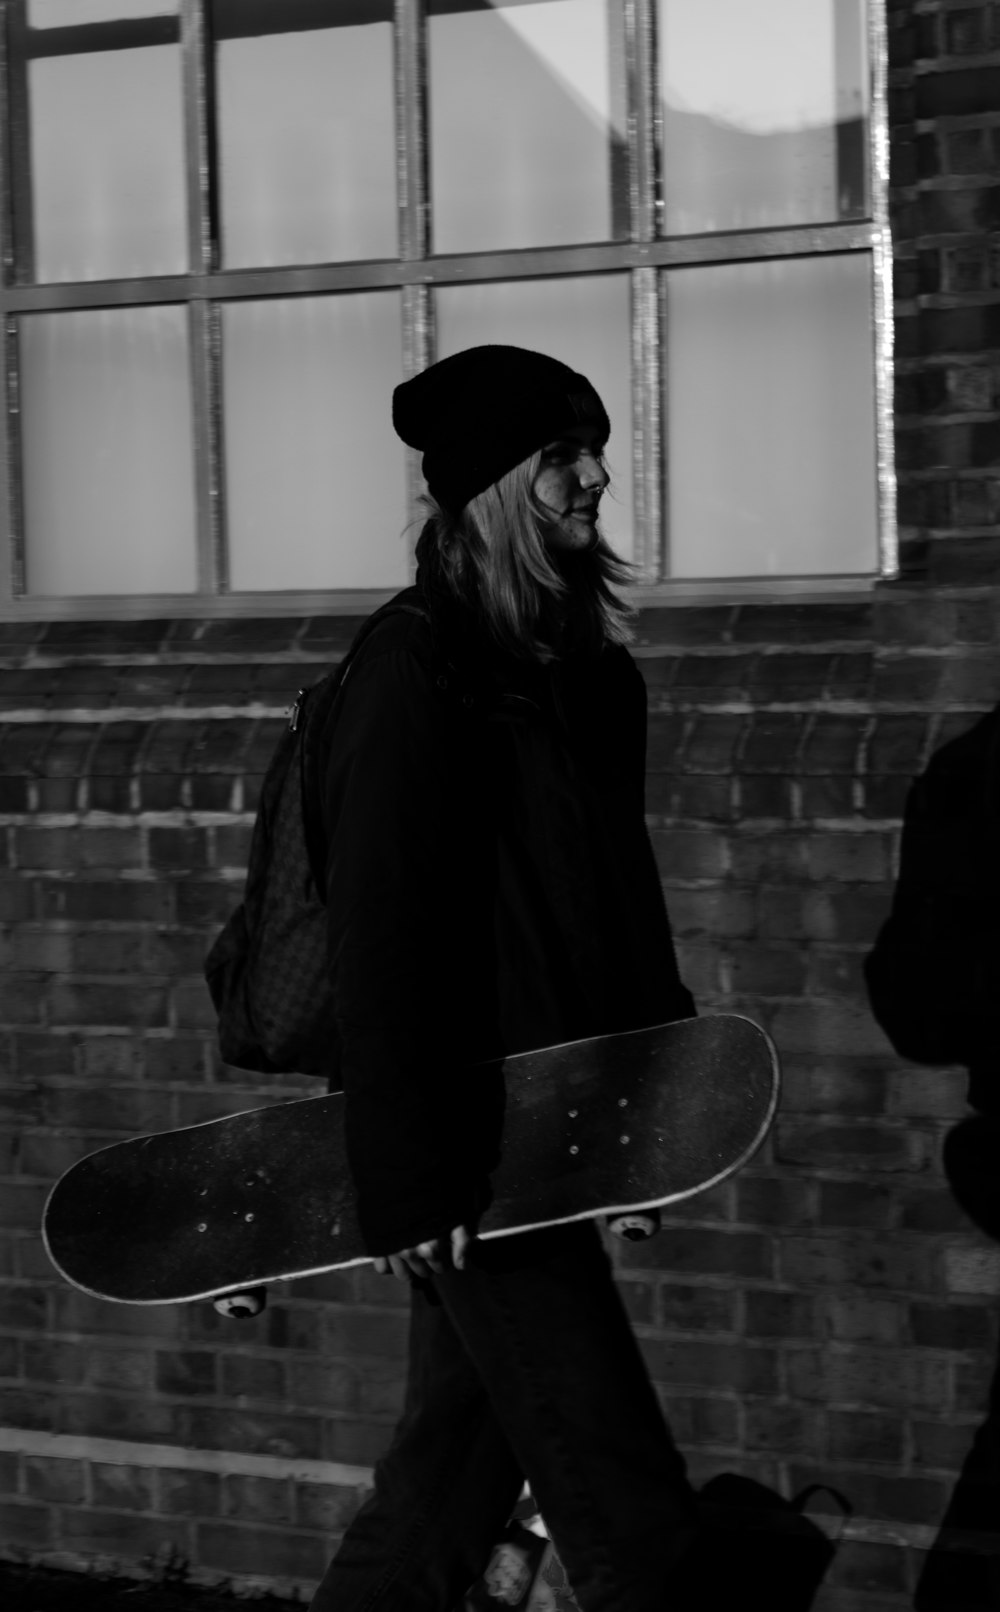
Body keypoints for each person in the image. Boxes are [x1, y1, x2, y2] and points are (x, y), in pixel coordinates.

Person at [308, 345, 700, 1612]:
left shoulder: (584, 673)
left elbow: (622, 913)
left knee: (445, 1487)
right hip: (472, 1160)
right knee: (625, 1502)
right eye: (559, 458)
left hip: (555, 1135)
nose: (594, 476)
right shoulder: (415, 673)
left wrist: (647, 1120)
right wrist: (411, 1178)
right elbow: (388, 938)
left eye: (592, 449)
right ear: (488, 487)